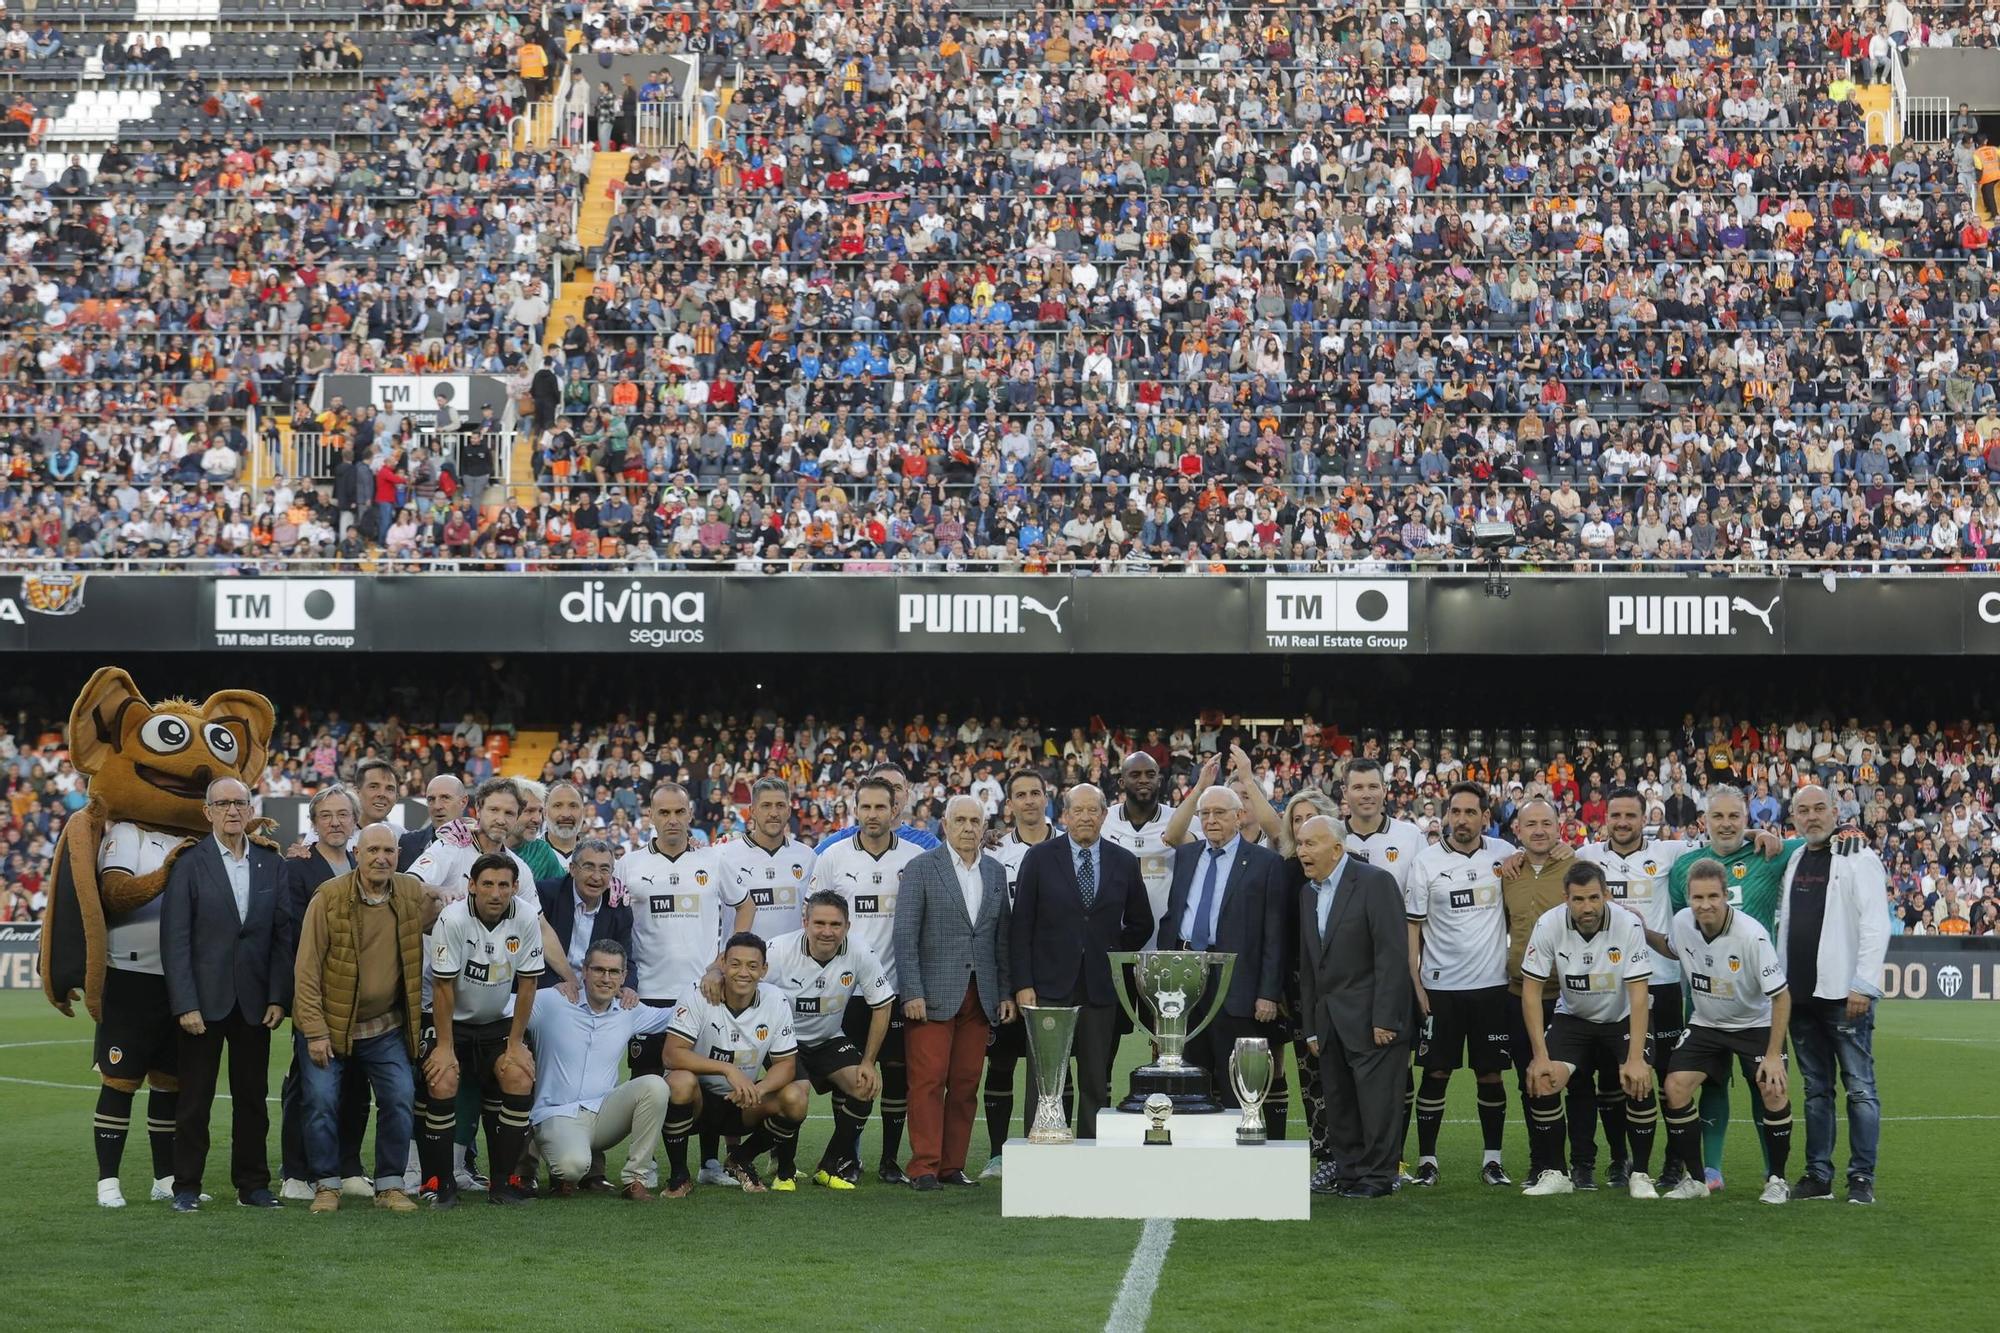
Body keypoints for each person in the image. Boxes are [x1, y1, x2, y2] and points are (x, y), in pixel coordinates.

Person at [160, 778, 285, 1212]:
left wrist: (277, 996)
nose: (232, 810)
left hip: (255, 1004)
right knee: (194, 1102)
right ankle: (187, 1188)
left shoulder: (272, 864)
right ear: (207, 812)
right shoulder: (189, 864)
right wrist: (185, 1003)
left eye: (240, 803)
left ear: (250, 810)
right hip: (203, 1004)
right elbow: (174, 940)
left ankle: (252, 1186)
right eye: (223, 803)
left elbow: (280, 937)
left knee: (253, 1100)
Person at [289, 823, 428, 1214]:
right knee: (319, 1101)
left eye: (389, 851)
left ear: (398, 856)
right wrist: (314, 1032)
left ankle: (389, 1185)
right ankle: (327, 1186)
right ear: (357, 853)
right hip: (328, 1027)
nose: (381, 858)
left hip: (385, 1026)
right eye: (372, 851)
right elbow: (307, 969)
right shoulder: (329, 898)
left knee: (400, 1096)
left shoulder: (411, 893)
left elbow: (441, 902)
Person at [1665, 786, 1795, 1192]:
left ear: (1745, 819)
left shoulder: (1768, 855)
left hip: (1755, 999)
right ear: (1704, 820)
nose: (1725, 824)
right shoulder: (1683, 866)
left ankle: (1774, 1176)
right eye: (1717, 816)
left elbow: (1811, 841)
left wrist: (1763, 834)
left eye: (1734, 817)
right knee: (1710, 1085)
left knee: (1766, 1087)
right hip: (1705, 999)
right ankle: (1710, 1173)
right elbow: (1679, 930)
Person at [621, 781, 748, 1185]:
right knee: (650, 1083)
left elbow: (745, 906)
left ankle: (710, 1163)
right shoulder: (629, 865)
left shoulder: (713, 861)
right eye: (664, 813)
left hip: (703, 992)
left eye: (679, 812)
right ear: (651, 817)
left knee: (709, 1079)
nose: (672, 820)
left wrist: (722, 963)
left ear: (690, 815)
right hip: (648, 995)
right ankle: (648, 1160)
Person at [1009, 783, 1150, 1141]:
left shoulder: (1123, 861)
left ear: (1104, 815)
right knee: (1044, 1081)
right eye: (1078, 810)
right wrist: (1023, 984)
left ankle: (1091, 1152)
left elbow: (1141, 922)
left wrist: (1109, 950)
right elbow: (1021, 924)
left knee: (1095, 1080)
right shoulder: (1040, 858)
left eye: (1093, 810)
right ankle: (1038, 1154)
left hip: (1100, 990)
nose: (1086, 817)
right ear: (1065, 815)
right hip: (1048, 987)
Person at [1576, 787, 1698, 1189]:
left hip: (1660, 983)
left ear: (1646, 817)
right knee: (1614, 1080)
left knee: (1666, 1077)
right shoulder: (1587, 856)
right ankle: (1619, 1160)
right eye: (1616, 816)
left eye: (1631, 815)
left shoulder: (1670, 853)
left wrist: (1756, 835)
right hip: (1609, 987)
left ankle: (1673, 1162)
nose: (1623, 822)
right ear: (1605, 818)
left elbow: (1720, 841)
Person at [893, 795, 1014, 1190]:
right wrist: (911, 990)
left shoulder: (995, 873)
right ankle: (924, 1167)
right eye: (959, 820)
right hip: (929, 995)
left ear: (984, 826)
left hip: (981, 996)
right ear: (944, 825)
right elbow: (905, 936)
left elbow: (1001, 940)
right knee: (927, 1082)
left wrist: (1005, 992)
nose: (967, 827)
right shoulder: (921, 869)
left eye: (974, 821)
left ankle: (952, 1165)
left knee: (965, 1084)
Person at [1517, 862, 1659, 1198]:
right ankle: (1556, 1172)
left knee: (1637, 1080)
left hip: (1622, 1015)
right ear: (1565, 898)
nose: (1587, 907)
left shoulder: (1626, 924)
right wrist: (1540, 1056)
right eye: (1578, 899)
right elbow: (1531, 990)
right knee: (1543, 1079)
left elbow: (1639, 995)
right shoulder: (1549, 923)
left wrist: (1636, 1058)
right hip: (1575, 1017)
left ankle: (1639, 1173)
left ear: (1607, 895)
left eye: (1594, 898)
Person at [812, 775, 925, 1183]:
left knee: (896, 1076)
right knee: (848, 1077)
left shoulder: (914, 858)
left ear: (895, 810)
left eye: (882, 807)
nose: (873, 814)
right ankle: (847, 1158)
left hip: (895, 988)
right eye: (866, 807)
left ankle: (890, 1160)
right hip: (844, 991)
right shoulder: (833, 857)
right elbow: (812, 921)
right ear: (854, 809)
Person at [1778, 785, 1888, 1205]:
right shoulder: (1794, 858)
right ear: (1794, 817)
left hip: (1845, 995)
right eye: (1802, 811)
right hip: (1801, 996)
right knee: (1816, 1090)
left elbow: (1876, 924)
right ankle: (1818, 1175)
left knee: (1860, 1088)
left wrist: (1864, 983)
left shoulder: (1859, 856)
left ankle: (1861, 1178)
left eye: (1819, 808)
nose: (1811, 817)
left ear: (1836, 811)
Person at [1405, 781, 1517, 1187]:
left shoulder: (1505, 855)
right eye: (1456, 812)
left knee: (1491, 1074)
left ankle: (1492, 1161)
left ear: (1485, 817)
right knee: (1435, 1073)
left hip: (1492, 988)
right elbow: (1413, 926)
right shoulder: (1427, 862)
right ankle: (1428, 1161)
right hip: (1440, 989)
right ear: (1446, 816)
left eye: (1471, 812)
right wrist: (1416, 982)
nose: (1462, 819)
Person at [1295, 815, 1412, 1198]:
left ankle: (1378, 1177)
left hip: (1372, 1019)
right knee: (1340, 1104)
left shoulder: (1375, 883)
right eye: (1299, 843)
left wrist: (1386, 1018)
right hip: (1329, 1022)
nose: (1302, 851)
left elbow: (1392, 955)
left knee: (1377, 1105)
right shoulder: (1307, 893)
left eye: (1311, 843)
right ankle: (1349, 1173)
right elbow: (1310, 964)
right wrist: (1311, 1025)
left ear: (1337, 848)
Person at [420, 854, 545, 1207]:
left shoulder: (524, 916)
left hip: (497, 1023)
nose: (495, 892)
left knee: (519, 1076)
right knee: (441, 1080)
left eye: (503, 884)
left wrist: (517, 1043)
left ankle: (503, 1185)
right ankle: (441, 1183)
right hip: (452, 1023)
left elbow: (529, 983)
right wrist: (444, 1047)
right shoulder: (453, 918)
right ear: (472, 886)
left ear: (514, 888)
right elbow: (443, 988)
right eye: (487, 884)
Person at [1157, 784, 1285, 1109]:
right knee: (1187, 1078)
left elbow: (1274, 934)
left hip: (1236, 984)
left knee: (1236, 1085)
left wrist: (1268, 993)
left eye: (1219, 812)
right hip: (1185, 977)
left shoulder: (1264, 862)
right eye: (1205, 814)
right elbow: (1174, 917)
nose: (1211, 820)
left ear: (1239, 816)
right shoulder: (1186, 856)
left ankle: (1239, 1152)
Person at [274, 785, 373, 1200]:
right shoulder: (297, 867)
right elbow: (292, 933)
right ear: (313, 823)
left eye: (343, 814)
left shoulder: (363, 864)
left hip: (364, 999)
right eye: (326, 815)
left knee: (355, 1085)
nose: (335, 821)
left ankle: (348, 1165)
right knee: (310, 1086)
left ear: (355, 822)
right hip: (317, 992)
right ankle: (297, 1171)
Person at [1499, 797, 1599, 1187]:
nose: (1539, 830)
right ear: (1517, 831)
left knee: (1578, 1081)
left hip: (1572, 995)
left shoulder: (1577, 868)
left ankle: (1583, 1164)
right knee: (1532, 1081)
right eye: (1531, 824)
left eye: (1546, 823)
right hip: (1521, 992)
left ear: (1559, 826)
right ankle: (1543, 1162)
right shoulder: (1507, 872)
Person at [763, 892, 893, 1188]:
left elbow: (883, 1004)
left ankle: (830, 1166)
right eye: (819, 922)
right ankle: (784, 1170)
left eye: (835, 924)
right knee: (797, 1093)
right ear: (805, 922)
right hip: (786, 1042)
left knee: (865, 1085)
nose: (827, 931)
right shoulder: (779, 950)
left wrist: (869, 1062)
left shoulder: (860, 951)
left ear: (847, 926)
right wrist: (713, 974)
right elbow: (740, 976)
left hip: (828, 1037)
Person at [527, 939, 673, 1202]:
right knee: (572, 1167)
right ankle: (552, 1158)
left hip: (604, 1114)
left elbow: (676, 1017)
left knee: (655, 1085)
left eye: (614, 972)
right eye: (598, 970)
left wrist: (714, 986)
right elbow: (505, 1007)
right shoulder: (553, 1000)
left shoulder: (629, 1010)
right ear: (584, 971)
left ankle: (635, 1179)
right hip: (556, 1113)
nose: (606, 978)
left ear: (624, 976)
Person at [660, 932, 805, 1195]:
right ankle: (679, 1175)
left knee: (796, 1097)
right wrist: (728, 1069)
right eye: (735, 964)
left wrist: (756, 1091)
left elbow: (786, 1065)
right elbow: (671, 1054)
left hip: (742, 1104)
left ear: (764, 970)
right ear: (723, 964)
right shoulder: (697, 993)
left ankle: (740, 1157)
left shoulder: (776, 1000)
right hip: (698, 1104)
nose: (743, 973)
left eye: (752, 966)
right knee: (680, 1081)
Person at [1338, 758, 1426, 1190]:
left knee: (1397, 1071)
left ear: (1385, 790)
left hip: (1396, 971)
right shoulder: (1332, 837)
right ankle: (1355, 1158)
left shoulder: (1411, 837)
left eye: (1374, 785)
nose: (1367, 793)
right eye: (1358, 787)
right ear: (1345, 793)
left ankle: (1396, 1157)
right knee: (1349, 1071)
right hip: (1345, 978)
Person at [981, 768, 1055, 1177]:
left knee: (1057, 1064)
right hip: (1008, 976)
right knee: (1002, 1063)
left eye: (1035, 793)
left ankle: (1053, 1140)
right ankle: (997, 1153)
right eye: (1020, 795)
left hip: (1056, 976)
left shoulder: (1067, 845)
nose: (1028, 801)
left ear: (1047, 798)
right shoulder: (994, 854)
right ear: (1008, 804)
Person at [717, 777, 818, 943]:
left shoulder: (807, 856)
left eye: (780, 805)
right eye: (766, 806)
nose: (773, 813)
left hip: (790, 966)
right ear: (752, 811)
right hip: (742, 966)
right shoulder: (724, 854)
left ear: (789, 810)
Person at [1101, 752, 1177, 943]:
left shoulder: (1181, 822)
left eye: (1150, 775)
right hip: (1115, 942)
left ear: (1159, 780)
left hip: (1165, 942)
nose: (1144, 780)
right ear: (1121, 782)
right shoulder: (1102, 820)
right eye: (1135, 775)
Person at [538, 838, 633, 987]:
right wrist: (554, 986)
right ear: (573, 869)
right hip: (548, 988)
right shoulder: (546, 895)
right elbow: (531, 953)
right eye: (589, 867)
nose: (596, 877)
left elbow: (626, 958)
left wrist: (628, 988)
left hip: (594, 994)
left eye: (604, 869)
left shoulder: (619, 908)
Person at [815, 763, 941, 851]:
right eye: (882, 786)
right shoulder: (842, 840)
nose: (889, 794)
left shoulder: (927, 844)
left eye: (896, 788)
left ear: (907, 796)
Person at [519, 780, 587, 881]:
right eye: (557, 806)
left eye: (573, 806)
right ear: (545, 812)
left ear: (583, 813)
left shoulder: (598, 856)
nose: (566, 814)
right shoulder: (525, 854)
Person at [398, 776, 465, 872]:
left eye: (445, 798)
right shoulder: (407, 844)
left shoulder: (479, 845)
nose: (437, 806)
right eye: (431, 799)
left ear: (463, 802)